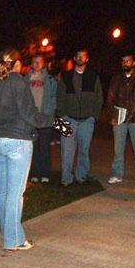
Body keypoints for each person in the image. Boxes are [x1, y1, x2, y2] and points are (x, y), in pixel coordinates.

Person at [0, 48, 54, 251]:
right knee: (15, 192)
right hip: (18, 141)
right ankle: (13, 240)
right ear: (18, 64)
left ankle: (9, 232)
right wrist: (52, 121)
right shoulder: (18, 82)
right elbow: (31, 115)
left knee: (3, 189)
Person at [57, 49, 103, 186]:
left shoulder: (93, 76)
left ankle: (81, 176)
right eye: (78, 56)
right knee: (66, 151)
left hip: (87, 120)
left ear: (87, 59)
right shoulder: (65, 76)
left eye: (83, 56)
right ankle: (66, 178)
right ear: (74, 58)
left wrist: (94, 116)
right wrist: (62, 116)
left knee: (84, 149)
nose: (80, 58)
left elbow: (99, 97)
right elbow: (59, 98)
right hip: (68, 119)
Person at [106, 53, 135, 185]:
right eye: (123, 61)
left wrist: (131, 114)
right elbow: (110, 98)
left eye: (128, 61)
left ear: (134, 63)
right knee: (118, 148)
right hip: (118, 119)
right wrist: (112, 116)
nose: (125, 63)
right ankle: (117, 174)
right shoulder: (116, 79)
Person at [24, 54, 57, 183]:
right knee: (33, 147)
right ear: (31, 64)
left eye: (39, 62)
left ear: (43, 64)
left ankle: (45, 174)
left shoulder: (49, 79)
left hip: (45, 117)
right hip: (31, 118)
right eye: (34, 62)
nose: (37, 64)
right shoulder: (26, 79)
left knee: (44, 147)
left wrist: (50, 111)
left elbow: (54, 96)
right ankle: (34, 173)